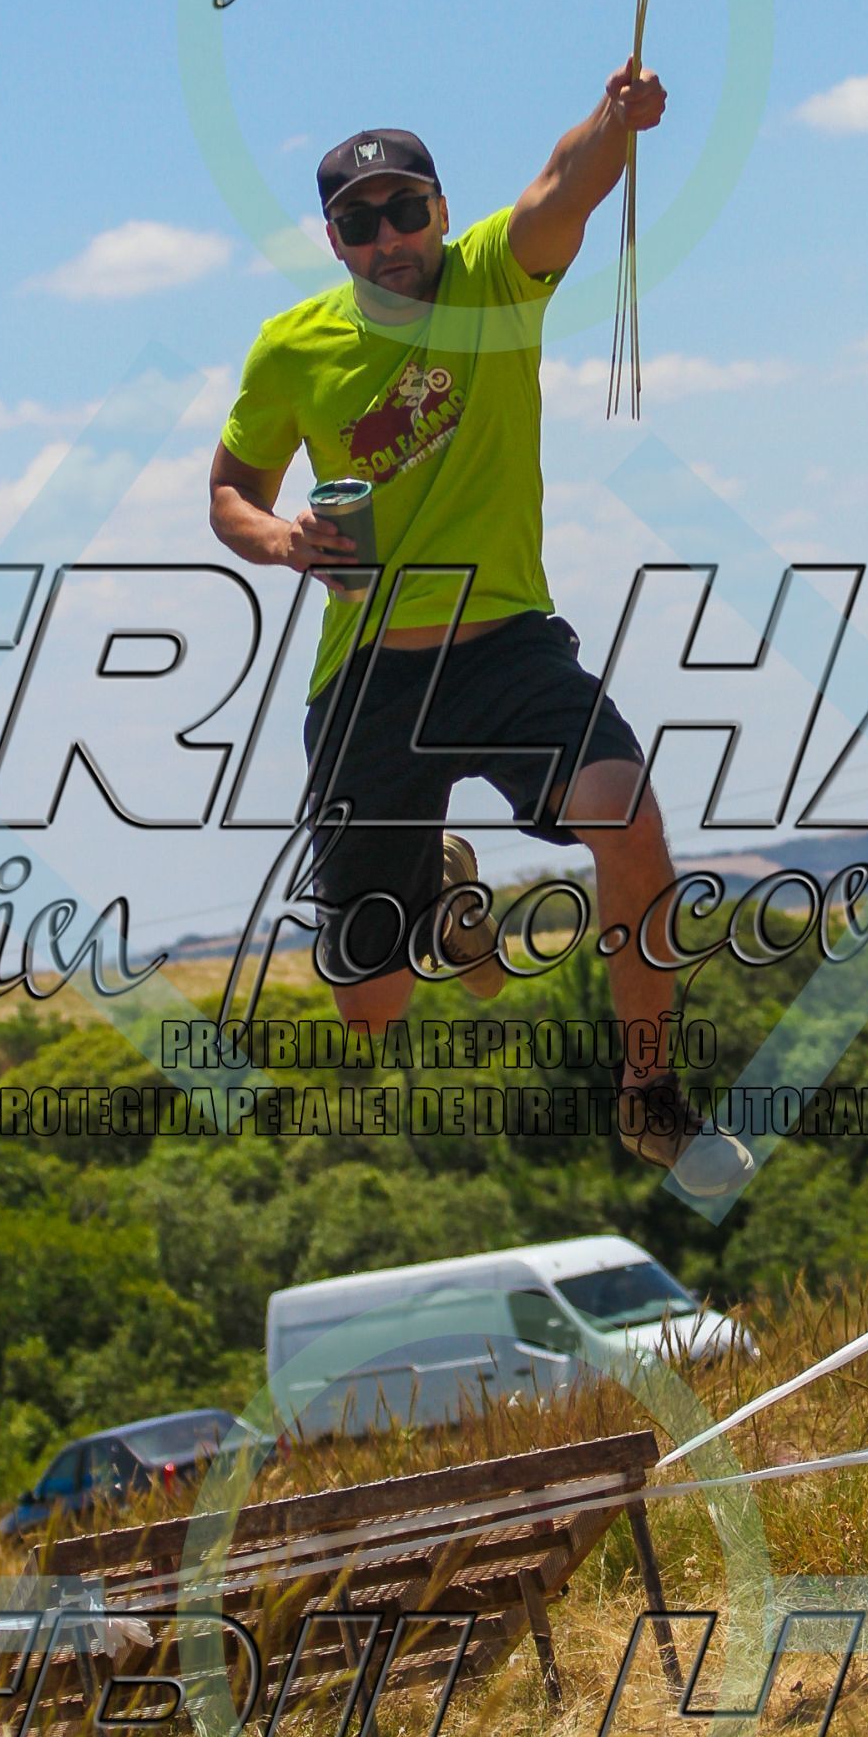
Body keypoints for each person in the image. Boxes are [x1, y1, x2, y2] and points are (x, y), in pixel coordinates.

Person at [208, 66, 752, 1197]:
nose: (389, 237)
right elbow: (229, 492)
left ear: (441, 212)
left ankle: (651, 1098)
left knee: (628, 814)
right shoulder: (290, 348)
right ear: (333, 239)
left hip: (506, 642)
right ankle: (441, 891)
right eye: (361, 223)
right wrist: (283, 539)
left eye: (407, 210)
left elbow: (564, 187)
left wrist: (614, 121)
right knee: (371, 1009)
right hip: (368, 677)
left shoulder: (495, 278)